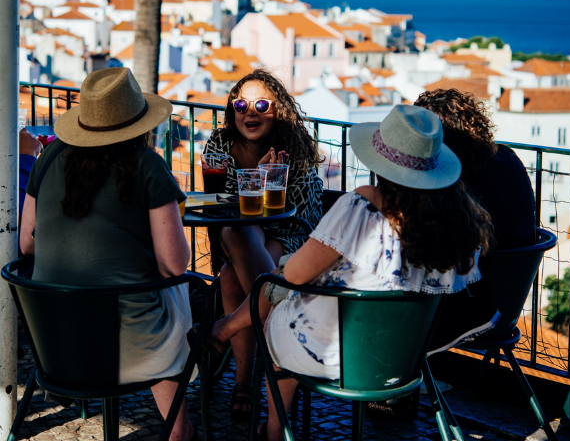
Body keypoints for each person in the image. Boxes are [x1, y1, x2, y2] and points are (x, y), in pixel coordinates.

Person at [205, 105, 492, 441]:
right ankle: (224, 332)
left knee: (279, 293)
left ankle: (273, 428)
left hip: (332, 353)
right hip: (404, 360)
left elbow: (294, 274)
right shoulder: (461, 226)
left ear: (381, 163)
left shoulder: (362, 205)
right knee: (283, 285)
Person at [19, 68, 196, 441]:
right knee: (179, 286)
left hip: (57, 349)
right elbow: (174, 264)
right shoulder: (147, 164)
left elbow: (27, 246)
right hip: (130, 353)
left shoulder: (48, 158)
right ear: (139, 123)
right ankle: (179, 430)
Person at [203, 69, 324, 421]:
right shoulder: (219, 143)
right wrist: (256, 180)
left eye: (261, 105)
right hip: (240, 233)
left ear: (278, 110)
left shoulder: (296, 149)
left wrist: (271, 184)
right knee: (236, 233)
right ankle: (277, 354)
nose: (249, 112)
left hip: (291, 236)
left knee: (230, 276)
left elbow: (297, 216)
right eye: (241, 105)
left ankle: (243, 378)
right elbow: (219, 204)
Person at [414, 89, 535, 352]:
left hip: (475, 304)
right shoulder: (507, 158)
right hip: (509, 301)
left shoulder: (456, 179)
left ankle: (404, 363)